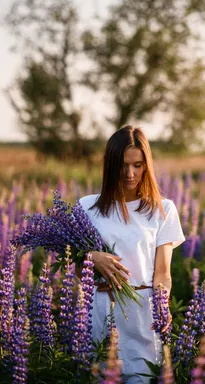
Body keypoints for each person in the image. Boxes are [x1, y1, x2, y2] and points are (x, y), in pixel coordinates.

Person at [79, 125, 185, 383]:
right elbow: (74, 267)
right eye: (123, 165)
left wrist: (162, 306)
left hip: (142, 311)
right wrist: (92, 256)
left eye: (137, 165)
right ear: (110, 164)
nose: (130, 173)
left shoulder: (163, 209)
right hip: (101, 310)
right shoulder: (87, 207)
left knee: (141, 376)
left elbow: (162, 273)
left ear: (146, 165)